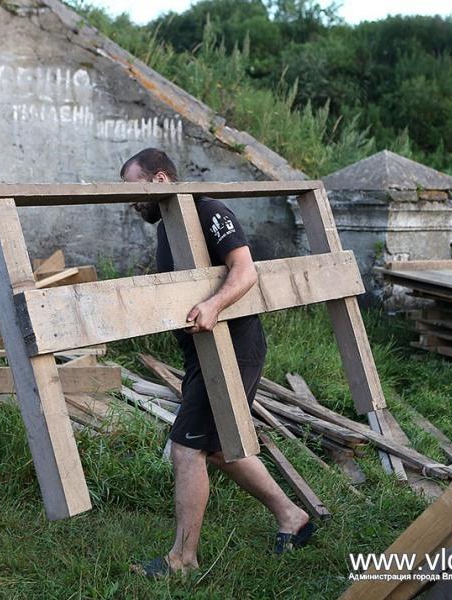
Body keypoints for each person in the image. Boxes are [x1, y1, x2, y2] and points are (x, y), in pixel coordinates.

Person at [121, 148, 315, 578]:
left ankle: (182, 560)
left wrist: (213, 305)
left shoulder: (208, 210)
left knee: (187, 447)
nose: (131, 202)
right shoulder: (168, 228)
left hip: (233, 346)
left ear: (159, 180)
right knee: (220, 447)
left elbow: (244, 271)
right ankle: (293, 517)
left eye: (134, 190)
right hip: (202, 352)